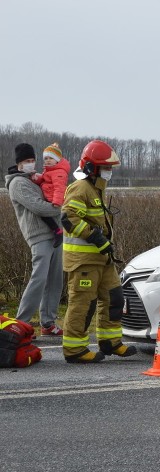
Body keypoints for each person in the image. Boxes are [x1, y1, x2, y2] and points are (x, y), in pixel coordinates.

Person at [60, 139, 137, 363]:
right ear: (91, 168)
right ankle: (75, 350)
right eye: (106, 167)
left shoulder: (96, 188)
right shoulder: (80, 188)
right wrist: (95, 237)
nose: (109, 172)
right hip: (83, 261)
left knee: (114, 297)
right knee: (83, 303)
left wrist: (104, 244)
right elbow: (68, 217)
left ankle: (110, 342)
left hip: (102, 259)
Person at [4, 143, 65, 337]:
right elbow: (38, 207)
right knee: (39, 279)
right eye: (26, 161)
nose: (31, 164)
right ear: (19, 163)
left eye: (32, 160)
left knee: (55, 280)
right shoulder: (18, 184)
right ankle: (21, 324)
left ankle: (48, 322)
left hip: (55, 233)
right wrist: (59, 207)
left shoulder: (33, 179)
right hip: (39, 236)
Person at [32, 143, 70, 247]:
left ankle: (58, 232)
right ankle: (60, 230)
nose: (48, 160)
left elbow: (59, 187)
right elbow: (45, 180)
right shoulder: (49, 170)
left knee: (44, 214)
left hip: (53, 199)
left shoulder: (59, 172)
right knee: (45, 215)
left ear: (57, 159)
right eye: (46, 158)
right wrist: (37, 179)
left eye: (51, 158)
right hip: (49, 196)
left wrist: (57, 201)